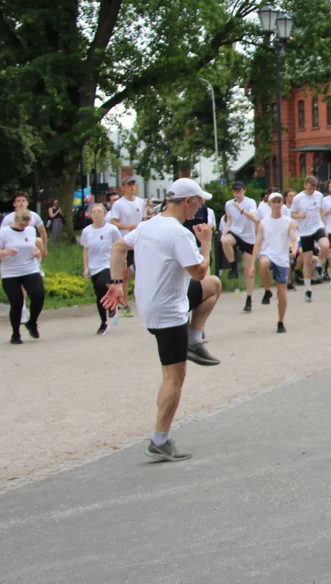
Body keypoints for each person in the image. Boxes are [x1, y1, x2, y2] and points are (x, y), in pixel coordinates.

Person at [101, 178, 222, 462]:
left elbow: (119, 247)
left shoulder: (149, 224)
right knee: (174, 377)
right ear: (187, 201)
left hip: (157, 301)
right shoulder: (178, 233)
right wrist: (205, 243)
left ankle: (194, 339)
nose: (202, 205)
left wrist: (116, 283)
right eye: (199, 200)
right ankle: (160, 440)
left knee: (214, 287)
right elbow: (199, 271)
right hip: (167, 312)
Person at [0, 209, 46, 344]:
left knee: (39, 295)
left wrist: (37, 251)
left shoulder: (30, 231)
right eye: (22, 224)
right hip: (10, 271)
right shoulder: (4, 232)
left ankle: (32, 322)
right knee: (17, 301)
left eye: (26, 224)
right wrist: (5, 252)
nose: (24, 227)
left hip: (29, 268)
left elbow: (32, 247)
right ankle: (15, 333)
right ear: (16, 220)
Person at [254, 192, 297, 332]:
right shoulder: (263, 223)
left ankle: (280, 321)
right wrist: (250, 264)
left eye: (279, 201)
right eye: (274, 202)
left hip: (282, 258)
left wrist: (294, 249)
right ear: (269, 204)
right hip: (268, 252)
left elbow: (293, 239)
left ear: (282, 203)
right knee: (264, 262)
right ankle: (267, 290)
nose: (277, 204)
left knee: (282, 292)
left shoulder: (288, 221)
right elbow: (258, 242)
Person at [81, 203, 122, 335]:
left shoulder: (112, 229)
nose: (97, 214)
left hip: (108, 264)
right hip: (94, 266)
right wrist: (86, 267)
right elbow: (85, 249)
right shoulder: (86, 231)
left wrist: (121, 262)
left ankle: (112, 305)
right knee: (99, 295)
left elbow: (119, 245)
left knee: (101, 283)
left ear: (105, 214)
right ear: (90, 215)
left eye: (99, 211)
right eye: (94, 212)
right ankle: (103, 322)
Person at [109, 177, 146, 318]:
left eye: (133, 184)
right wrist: (127, 227)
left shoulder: (140, 202)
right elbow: (114, 221)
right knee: (125, 274)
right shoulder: (118, 204)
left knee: (142, 271)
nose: (132, 187)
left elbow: (142, 219)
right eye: (129, 184)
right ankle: (124, 303)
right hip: (125, 242)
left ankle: (143, 300)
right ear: (123, 187)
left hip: (139, 241)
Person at [221, 181, 259, 311]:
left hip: (248, 237)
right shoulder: (229, 204)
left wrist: (241, 209)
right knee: (225, 241)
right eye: (234, 190)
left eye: (239, 190)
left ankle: (249, 298)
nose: (236, 192)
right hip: (235, 231)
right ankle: (233, 266)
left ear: (244, 190)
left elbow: (253, 217)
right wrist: (227, 228)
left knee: (249, 270)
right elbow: (229, 218)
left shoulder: (250, 202)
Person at [290, 176, 328, 303]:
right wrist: (300, 215)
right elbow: (292, 214)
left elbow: (321, 211)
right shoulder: (298, 198)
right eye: (310, 188)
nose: (312, 191)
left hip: (317, 226)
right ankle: (307, 289)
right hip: (305, 231)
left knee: (325, 245)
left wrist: (324, 225)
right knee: (306, 260)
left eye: (314, 188)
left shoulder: (319, 196)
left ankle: (319, 264)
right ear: (305, 185)